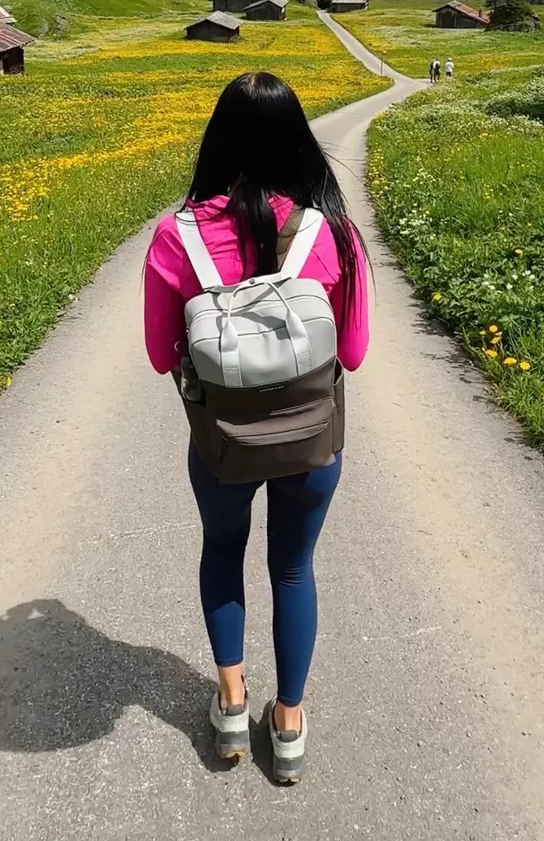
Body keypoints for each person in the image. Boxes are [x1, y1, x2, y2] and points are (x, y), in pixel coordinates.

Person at [143, 72, 369, 783]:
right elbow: (354, 354)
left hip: (222, 444)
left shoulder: (175, 235)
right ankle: (291, 724)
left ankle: (233, 706)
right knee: (294, 567)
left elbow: (158, 357)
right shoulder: (331, 230)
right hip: (312, 439)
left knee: (223, 552)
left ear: (217, 141)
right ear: (298, 141)